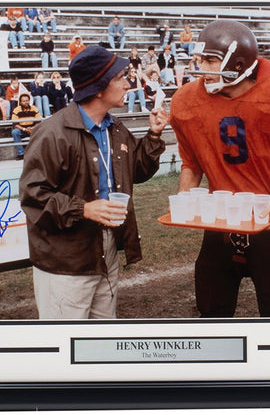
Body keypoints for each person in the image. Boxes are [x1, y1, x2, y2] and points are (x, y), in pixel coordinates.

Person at [169, 19, 270, 318]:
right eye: (198, 59)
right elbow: (192, 163)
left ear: (239, 65)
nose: (200, 68)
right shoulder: (187, 100)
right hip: (221, 224)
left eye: (210, 60)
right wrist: (184, 198)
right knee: (212, 312)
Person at [19, 45, 169, 319]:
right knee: (65, 345)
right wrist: (84, 209)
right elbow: (32, 195)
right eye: (120, 77)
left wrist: (154, 136)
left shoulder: (115, 128)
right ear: (99, 87)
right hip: (66, 261)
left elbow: (136, 171)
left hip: (106, 249)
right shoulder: (53, 133)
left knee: (101, 340)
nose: (127, 83)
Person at [11, 92, 41, 160]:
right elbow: (15, 124)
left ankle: (37, 153)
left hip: (33, 129)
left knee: (41, 130)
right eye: (24, 101)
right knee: (15, 132)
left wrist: (32, 128)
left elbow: (39, 122)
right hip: (22, 129)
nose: (26, 102)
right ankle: (21, 154)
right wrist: (25, 129)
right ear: (20, 102)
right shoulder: (16, 110)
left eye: (27, 100)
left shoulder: (34, 109)